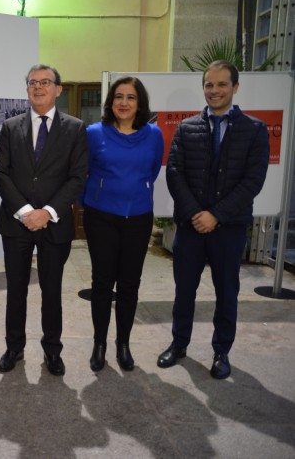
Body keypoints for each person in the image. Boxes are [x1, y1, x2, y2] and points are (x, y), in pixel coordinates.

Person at [157, 60, 269, 379]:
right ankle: (179, 345)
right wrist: (197, 214)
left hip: (228, 229)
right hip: (191, 228)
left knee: (226, 292)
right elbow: (175, 173)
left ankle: (222, 352)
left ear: (235, 87)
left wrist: (216, 215)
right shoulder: (187, 127)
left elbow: (253, 180)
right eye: (209, 85)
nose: (214, 90)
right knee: (184, 291)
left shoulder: (255, 129)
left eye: (221, 84)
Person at [0, 64, 88, 376]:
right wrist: (25, 213)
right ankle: (14, 348)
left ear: (58, 90)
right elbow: (1, 174)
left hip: (55, 223)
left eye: (45, 82)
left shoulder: (75, 128)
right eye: (33, 83)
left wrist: (46, 212)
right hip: (16, 223)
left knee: (52, 290)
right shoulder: (10, 127)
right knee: (15, 290)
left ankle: (52, 351)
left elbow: (77, 177)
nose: (38, 87)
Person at [81, 77, 164, 372]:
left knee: (130, 284)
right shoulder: (93, 133)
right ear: (110, 101)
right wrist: (95, 197)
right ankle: (100, 343)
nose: (124, 103)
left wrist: (134, 193)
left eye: (130, 97)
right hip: (101, 217)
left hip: (138, 217)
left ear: (139, 103)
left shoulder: (154, 135)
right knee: (102, 283)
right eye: (118, 96)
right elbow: (83, 172)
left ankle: (123, 345)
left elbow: (152, 172)